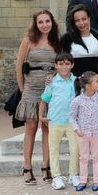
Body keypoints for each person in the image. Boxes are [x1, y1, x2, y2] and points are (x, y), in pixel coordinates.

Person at [16, 10, 61, 185]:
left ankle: (46, 165)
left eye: (47, 21)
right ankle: (27, 167)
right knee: (31, 127)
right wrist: (22, 89)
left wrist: (55, 75)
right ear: (36, 24)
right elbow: (19, 67)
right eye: (41, 22)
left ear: (52, 22)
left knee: (47, 127)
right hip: (31, 88)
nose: (44, 25)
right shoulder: (28, 41)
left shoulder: (56, 42)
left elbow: (59, 66)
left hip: (50, 89)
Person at [39, 52, 79, 191]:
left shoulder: (77, 81)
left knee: (75, 149)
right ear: (56, 65)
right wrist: (41, 116)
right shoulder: (51, 82)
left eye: (67, 64)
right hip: (54, 120)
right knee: (54, 149)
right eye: (61, 64)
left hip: (72, 122)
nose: (64, 67)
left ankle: (74, 174)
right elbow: (44, 100)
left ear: (72, 65)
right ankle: (56, 177)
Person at [69, 71, 98, 192]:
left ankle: (97, 180)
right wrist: (77, 129)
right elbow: (71, 116)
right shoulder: (77, 101)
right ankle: (83, 180)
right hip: (82, 134)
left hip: (97, 133)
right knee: (84, 157)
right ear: (88, 86)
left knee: (96, 157)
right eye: (97, 81)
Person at [61, 5, 98, 77]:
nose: (81, 23)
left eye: (84, 19)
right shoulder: (66, 38)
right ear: (74, 22)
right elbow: (62, 62)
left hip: (94, 83)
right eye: (77, 20)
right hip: (74, 82)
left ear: (89, 18)